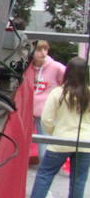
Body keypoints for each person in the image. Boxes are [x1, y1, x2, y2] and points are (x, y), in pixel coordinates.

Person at [27, 56, 90, 198]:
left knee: (45, 173)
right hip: (85, 143)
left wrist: (55, 132)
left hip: (60, 140)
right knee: (79, 180)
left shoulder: (59, 92)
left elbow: (46, 119)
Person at [27, 40, 66, 177]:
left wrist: (58, 103)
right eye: (39, 50)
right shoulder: (28, 67)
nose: (43, 53)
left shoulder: (56, 67)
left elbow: (68, 84)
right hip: (27, 111)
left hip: (45, 113)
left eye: (45, 49)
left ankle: (46, 172)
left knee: (45, 145)